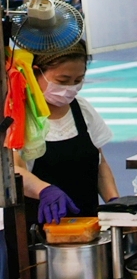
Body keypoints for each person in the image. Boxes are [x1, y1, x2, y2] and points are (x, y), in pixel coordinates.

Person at [14, 41, 119, 223]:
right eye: (62, 81)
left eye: (78, 80)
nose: (71, 88)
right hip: (39, 231)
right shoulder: (21, 116)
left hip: (87, 227)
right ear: (37, 73)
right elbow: (14, 170)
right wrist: (44, 190)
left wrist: (115, 203)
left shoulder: (82, 109)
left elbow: (100, 164)